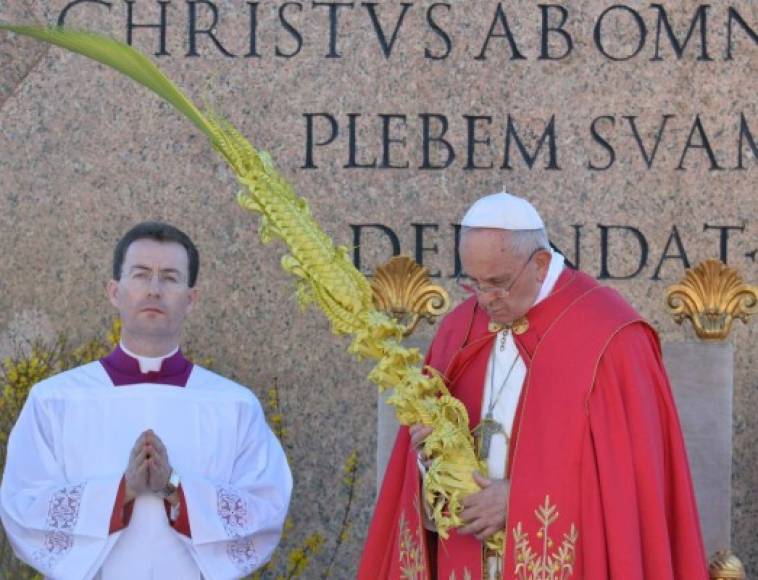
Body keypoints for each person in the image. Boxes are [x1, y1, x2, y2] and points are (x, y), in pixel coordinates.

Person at [359, 193, 707, 579]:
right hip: (467, 556)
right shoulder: (460, 326)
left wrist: (519, 500)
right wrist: (431, 458)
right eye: (473, 282)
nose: (485, 300)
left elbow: (629, 484)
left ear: (540, 264)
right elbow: (423, 462)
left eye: (498, 283)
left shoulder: (612, 337)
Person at [0, 222, 292, 579]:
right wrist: (124, 490)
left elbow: (265, 512)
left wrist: (173, 487)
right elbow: (22, 507)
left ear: (191, 299)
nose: (154, 290)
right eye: (141, 275)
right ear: (114, 291)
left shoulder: (234, 406)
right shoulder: (55, 400)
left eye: (170, 277)